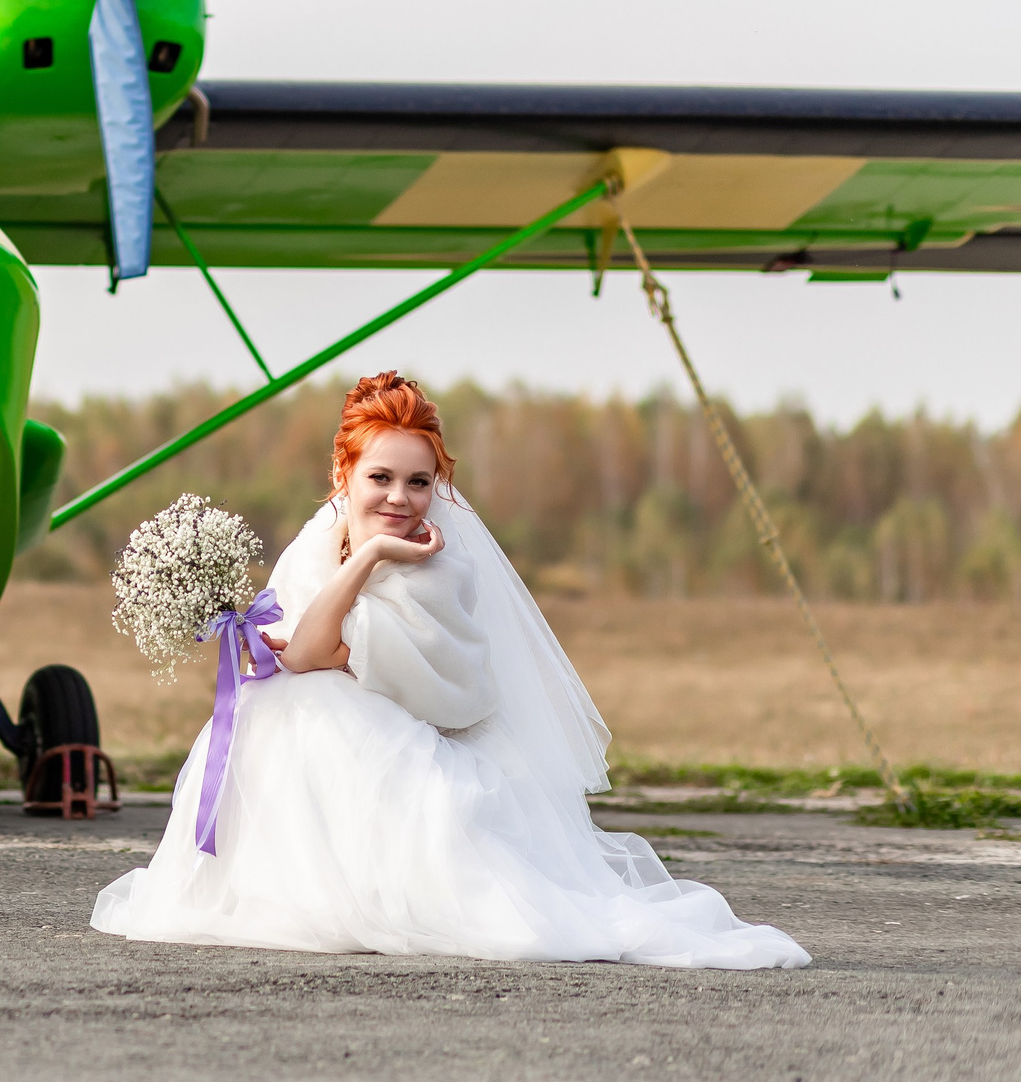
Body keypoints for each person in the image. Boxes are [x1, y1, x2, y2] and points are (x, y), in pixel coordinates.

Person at [91, 371, 809, 969]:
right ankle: (279, 884)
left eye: (418, 481)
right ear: (343, 475)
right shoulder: (319, 537)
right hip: (349, 752)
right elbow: (291, 644)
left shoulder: (434, 564)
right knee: (272, 710)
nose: (399, 500)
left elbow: (310, 650)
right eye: (380, 477)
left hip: (427, 755)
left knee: (306, 706)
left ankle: (349, 889)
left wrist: (372, 556)